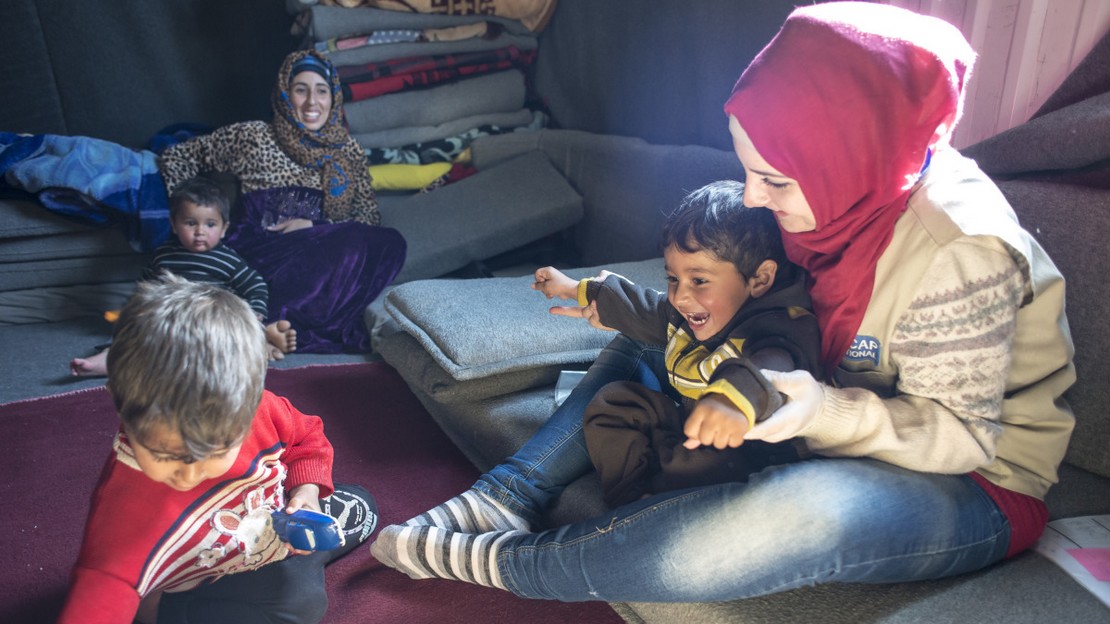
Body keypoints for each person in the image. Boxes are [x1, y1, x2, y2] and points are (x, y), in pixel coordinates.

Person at [369, 1, 1075, 603]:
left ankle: (515, 564)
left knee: (800, 513)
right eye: (748, 169)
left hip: (968, 479)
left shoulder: (960, 252)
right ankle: (507, 495)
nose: (753, 198)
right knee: (667, 327)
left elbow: (966, 437)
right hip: (793, 392)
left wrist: (819, 410)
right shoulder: (838, 195)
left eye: (776, 180)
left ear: (853, 158)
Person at [45, 48, 407, 375]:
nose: (312, 101)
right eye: (301, 89)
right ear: (285, 94)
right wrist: (189, 216)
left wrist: (314, 224)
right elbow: (180, 156)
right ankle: (245, 332)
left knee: (388, 241)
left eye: (322, 91)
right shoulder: (254, 136)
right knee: (196, 301)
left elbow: (367, 218)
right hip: (259, 249)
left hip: (322, 250)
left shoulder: (348, 152)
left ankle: (259, 331)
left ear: (333, 97)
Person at [59, 274, 379, 624]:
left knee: (363, 507)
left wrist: (306, 492)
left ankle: (296, 557)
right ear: (121, 407)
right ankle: (167, 609)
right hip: (200, 576)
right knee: (302, 604)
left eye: (214, 450)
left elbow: (307, 437)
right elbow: (100, 592)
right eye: (164, 454)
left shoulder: (258, 407)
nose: (189, 475)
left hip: (264, 530)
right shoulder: (122, 521)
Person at [533, 181, 820, 507]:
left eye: (699, 281)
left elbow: (773, 366)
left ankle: (657, 503)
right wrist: (573, 288)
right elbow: (644, 307)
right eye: (673, 279)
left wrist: (730, 401)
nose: (681, 296)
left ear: (760, 279)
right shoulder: (689, 312)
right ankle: (630, 501)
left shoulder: (781, 324)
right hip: (687, 424)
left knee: (699, 462)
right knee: (614, 402)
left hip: (750, 451)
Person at [70, 176, 297, 376]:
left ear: (224, 229)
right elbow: (147, 286)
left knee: (226, 340)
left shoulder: (229, 260)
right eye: (190, 223)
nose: (200, 232)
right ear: (174, 224)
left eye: (210, 224)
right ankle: (109, 358)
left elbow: (256, 285)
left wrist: (255, 312)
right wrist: (136, 309)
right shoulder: (164, 255)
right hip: (172, 319)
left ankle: (259, 341)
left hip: (210, 320)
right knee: (132, 330)